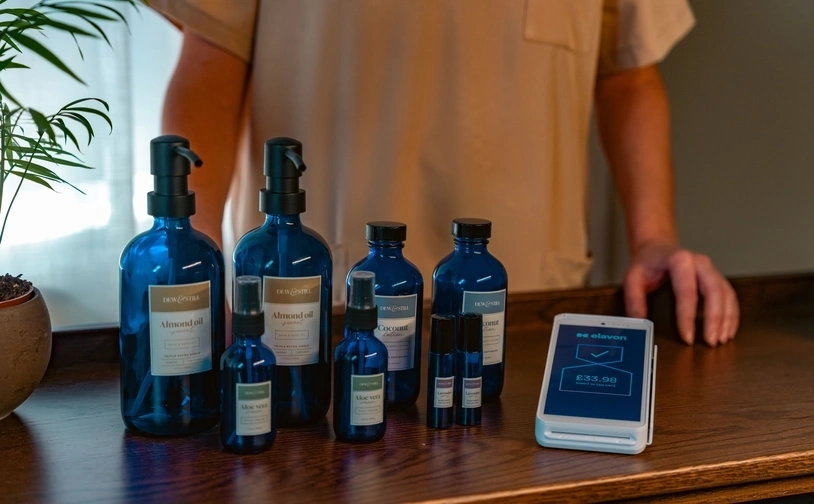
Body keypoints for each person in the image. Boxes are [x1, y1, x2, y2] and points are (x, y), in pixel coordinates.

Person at [150, 0, 739, 347]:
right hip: (313, 310)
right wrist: (187, 266)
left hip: (526, 310)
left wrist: (654, 238)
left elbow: (629, 74)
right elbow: (212, 71)